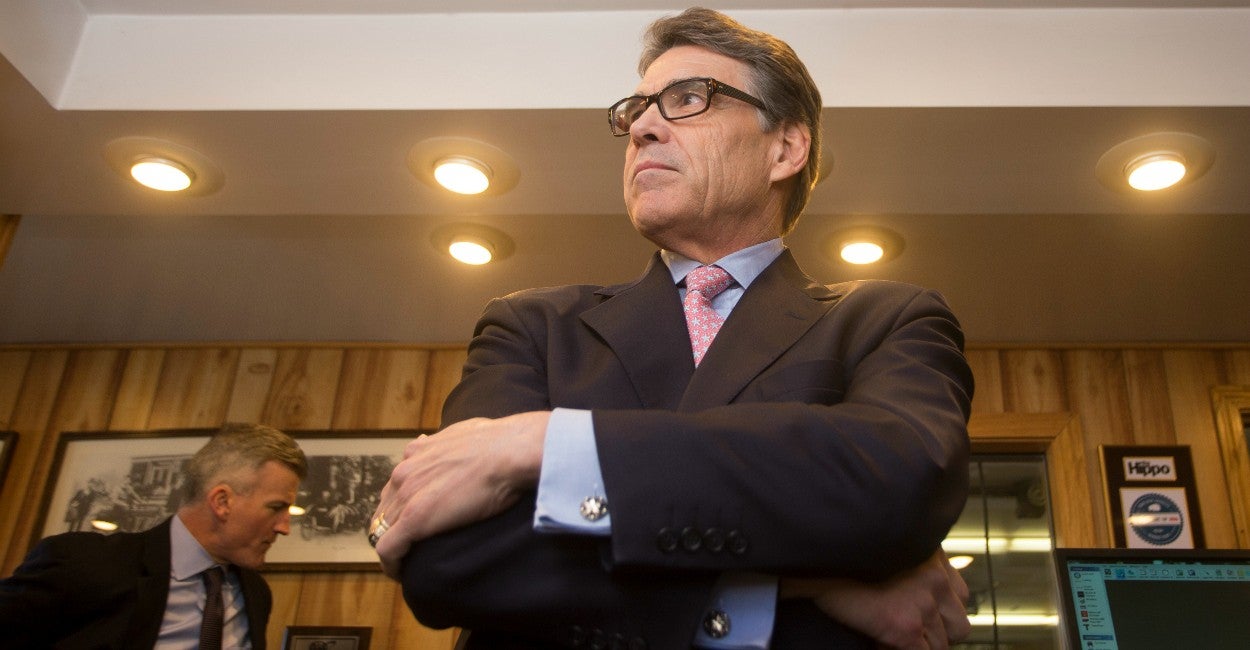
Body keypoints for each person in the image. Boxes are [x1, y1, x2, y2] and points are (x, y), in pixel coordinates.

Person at [371, 7, 974, 649]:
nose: (642, 128)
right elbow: (453, 558)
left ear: (785, 149)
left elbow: (898, 482)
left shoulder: (888, 319)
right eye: (636, 110)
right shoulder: (531, 326)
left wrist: (544, 444)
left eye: (688, 99)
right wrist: (795, 581)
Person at [0, 423, 308, 649]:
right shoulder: (84, 563)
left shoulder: (255, 593)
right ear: (222, 502)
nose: (284, 527)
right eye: (276, 508)